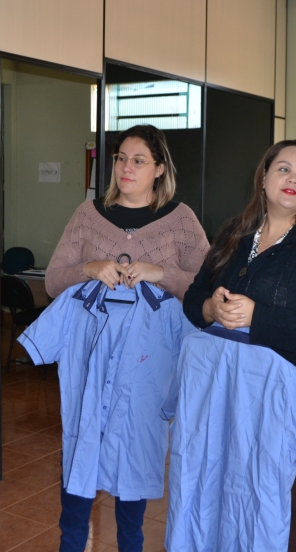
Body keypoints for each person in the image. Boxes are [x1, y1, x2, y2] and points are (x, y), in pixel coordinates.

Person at [183, 140, 296, 552]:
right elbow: (194, 300)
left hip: (289, 405)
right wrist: (211, 306)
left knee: (279, 506)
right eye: (283, 169)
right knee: (225, 498)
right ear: (263, 178)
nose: (293, 180)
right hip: (226, 398)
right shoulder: (233, 233)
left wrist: (258, 316)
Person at [45, 124, 208, 552]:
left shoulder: (181, 221)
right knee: (80, 460)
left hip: (146, 369)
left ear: (159, 169)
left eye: (139, 160)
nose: (126, 168)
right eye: (121, 159)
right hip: (91, 365)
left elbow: (208, 290)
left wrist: (162, 273)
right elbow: (51, 280)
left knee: (133, 463)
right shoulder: (88, 215)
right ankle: (72, 542)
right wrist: (89, 267)